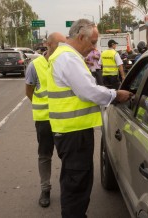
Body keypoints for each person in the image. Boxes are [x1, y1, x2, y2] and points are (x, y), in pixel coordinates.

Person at [46, 19, 132, 218]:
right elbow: (88, 91)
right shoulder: (68, 58)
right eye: (92, 42)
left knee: (74, 179)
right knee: (77, 183)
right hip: (74, 133)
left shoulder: (66, 56)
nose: (94, 48)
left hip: (70, 131)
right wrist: (115, 95)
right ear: (80, 36)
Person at [25, 32, 67, 208]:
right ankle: (45, 189)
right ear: (48, 45)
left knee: (68, 156)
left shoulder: (66, 63)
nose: (62, 49)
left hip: (65, 119)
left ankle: (68, 189)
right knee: (44, 155)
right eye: (59, 45)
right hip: (44, 120)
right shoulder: (35, 66)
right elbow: (29, 91)